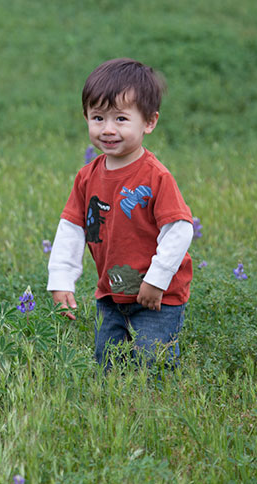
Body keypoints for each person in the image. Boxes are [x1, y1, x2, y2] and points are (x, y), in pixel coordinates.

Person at [47, 58, 194, 373]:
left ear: (149, 122)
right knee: (107, 364)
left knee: (152, 362)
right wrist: (61, 280)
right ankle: (111, 408)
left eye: (121, 119)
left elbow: (180, 229)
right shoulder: (87, 177)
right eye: (98, 117)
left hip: (158, 296)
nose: (108, 129)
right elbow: (72, 228)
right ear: (85, 117)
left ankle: (152, 410)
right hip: (110, 292)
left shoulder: (156, 176)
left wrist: (156, 281)